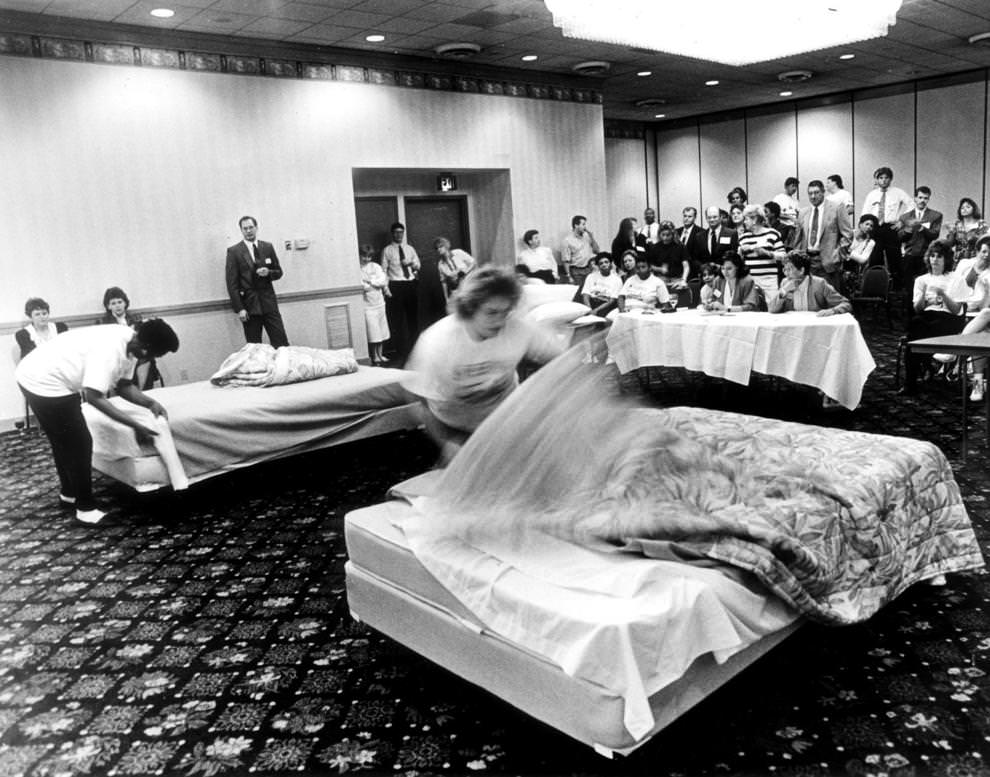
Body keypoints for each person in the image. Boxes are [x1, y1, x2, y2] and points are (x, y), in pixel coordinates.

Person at [15, 319, 179, 524]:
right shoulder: (111, 349)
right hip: (42, 380)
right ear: (145, 346)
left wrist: (149, 403)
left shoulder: (133, 343)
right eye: (151, 354)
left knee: (63, 440)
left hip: (41, 373)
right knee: (79, 442)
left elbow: (124, 386)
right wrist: (134, 424)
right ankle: (85, 509)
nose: (148, 358)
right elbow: (94, 397)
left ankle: (69, 495)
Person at [404, 267, 562, 463]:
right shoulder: (437, 341)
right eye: (491, 312)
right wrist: (445, 442)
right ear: (469, 308)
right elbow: (418, 402)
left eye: (505, 312)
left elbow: (565, 355)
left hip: (504, 421)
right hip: (453, 429)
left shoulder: (519, 328)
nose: (499, 321)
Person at [901, 241, 966, 395]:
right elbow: (918, 308)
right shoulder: (921, 280)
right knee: (916, 329)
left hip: (949, 319)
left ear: (946, 260)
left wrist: (943, 294)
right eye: (932, 256)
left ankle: (924, 368)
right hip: (927, 316)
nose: (935, 260)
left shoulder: (956, 279)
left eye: (939, 256)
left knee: (917, 331)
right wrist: (923, 293)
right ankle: (912, 382)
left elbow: (957, 310)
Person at [225, 215, 289, 348]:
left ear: (256, 228)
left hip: (269, 304)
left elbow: (279, 272)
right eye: (245, 228)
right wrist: (240, 309)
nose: (248, 231)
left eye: (251, 227)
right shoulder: (234, 251)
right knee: (254, 348)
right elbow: (232, 284)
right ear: (241, 231)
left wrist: (269, 273)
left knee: (281, 343)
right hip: (249, 307)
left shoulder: (267, 247)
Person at [794, 179, 853, 292]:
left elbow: (848, 235)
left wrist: (838, 254)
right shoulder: (803, 213)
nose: (813, 196)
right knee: (810, 297)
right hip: (807, 261)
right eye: (810, 193)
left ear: (823, 192)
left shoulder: (837, 208)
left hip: (828, 261)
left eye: (816, 192)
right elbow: (798, 239)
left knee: (829, 297)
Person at [99, 287, 161, 390]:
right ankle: (134, 394)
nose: (117, 306)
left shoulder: (136, 319)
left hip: (136, 354)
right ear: (108, 306)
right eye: (113, 303)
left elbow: (144, 340)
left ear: (125, 303)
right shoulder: (103, 323)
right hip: (117, 356)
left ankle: (143, 392)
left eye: (120, 302)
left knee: (146, 358)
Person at [861, 167, 913, 289]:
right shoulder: (872, 194)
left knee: (894, 259)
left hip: (891, 228)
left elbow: (911, 205)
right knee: (875, 258)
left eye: (886, 178)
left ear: (890, 179)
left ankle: (898, 289)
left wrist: (902, 221)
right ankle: (875, 286)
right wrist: (864, 228)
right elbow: (865, 213)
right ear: (877, 179)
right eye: (881, 178)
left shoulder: (898, 192)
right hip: (875, 228)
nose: (883, 181)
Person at [381, 222, 421, 362]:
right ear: (392, 234)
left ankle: (415, 349)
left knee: (412, 319)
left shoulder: (410, 249)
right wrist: (386, 289)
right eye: (396, 232)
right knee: (397, 320)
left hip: (409, 285)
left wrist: (411, 264)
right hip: (395, 286)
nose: (399, 235)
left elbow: (418, 265)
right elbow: (383, 271)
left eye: (401, 232)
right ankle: (400, 352)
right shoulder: (387, 250)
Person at [768, 252, 851, 316]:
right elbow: (772, 309)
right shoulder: (785, 283)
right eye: (784, 269)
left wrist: (832, 311)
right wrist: (784, 291)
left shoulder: (819, 284)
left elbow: (846, 304)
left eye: (790, 269)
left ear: (801, 270)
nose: (786, 273)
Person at [738, 204, 786, 298]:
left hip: (769, 280)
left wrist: (767, 253)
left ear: (754, 220)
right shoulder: (743, 238)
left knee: (771, 307)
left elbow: (784, 256)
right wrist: (740, 252)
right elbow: (739, 261)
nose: (744, 222)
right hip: (750, 281)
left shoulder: (772, 234)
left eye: (746, 219)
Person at [897, 186, 943, 281]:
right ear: (915, 198)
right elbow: (900, 237)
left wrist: (921, 228)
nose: (922, 200)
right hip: (909, 255)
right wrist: (908, 230)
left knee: (926, 283)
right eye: (920, 197)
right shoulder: (904, 217)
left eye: (925, 198)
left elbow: (935, 234)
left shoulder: (936, 216)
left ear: (929, 199)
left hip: (926, 255)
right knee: (908, 285)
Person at [360, 244, 390, 366]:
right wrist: (373, 285)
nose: (367, 259)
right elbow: (363, 287)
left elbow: (382, 281)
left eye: (369, 257)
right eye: (364, 256)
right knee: (373, 332)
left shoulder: (376, 266)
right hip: (368, 305)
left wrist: (371, 282)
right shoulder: (357, 269)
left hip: (379, 303)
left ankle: (380, 354)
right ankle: (374, 356)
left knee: (382, 330)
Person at [646, 220, 690, 290]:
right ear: (659, 234)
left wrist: (683, 280)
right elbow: (650, 266)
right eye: (663, 235)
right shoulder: (655, 247)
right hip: (661, 278)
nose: (665, 238)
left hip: (677, 279)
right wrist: (660, 269)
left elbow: (686, 266)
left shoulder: (680, 246)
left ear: (673, 234)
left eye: (668, 235)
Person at [944, 197, 989, 264]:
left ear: (974, 209)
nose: (964, 209)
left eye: (968, 207)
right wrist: (951, 231)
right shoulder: (957, 224)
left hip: (976, 259)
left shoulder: (981, 224)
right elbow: (950, 243)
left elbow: (986, 242)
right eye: (962, 208)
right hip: (958, 260)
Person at [561, 215, 599, 288]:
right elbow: (566, 261)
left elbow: (597, 250)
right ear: (576, 225)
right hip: (576, 271)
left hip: (589, 268)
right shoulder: (567, 241)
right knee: (579, 291)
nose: (585, 227)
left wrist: (592, 237)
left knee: (591, 289)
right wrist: (569, 276)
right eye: (583, 224)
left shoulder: (587, 237)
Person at [580, 253, 623, 317]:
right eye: (601, 263)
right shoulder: (591, 276)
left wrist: (596, 310)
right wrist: (589, 309)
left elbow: (612, 300)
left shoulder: (617, 280)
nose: (604, 265)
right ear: (598, 266)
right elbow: (586, 294)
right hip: (591, 303)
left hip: (605, 305)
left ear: (610, 264)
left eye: (606, 262)